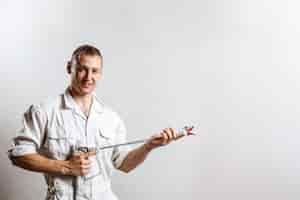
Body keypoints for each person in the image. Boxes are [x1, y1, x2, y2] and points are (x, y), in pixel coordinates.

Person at [8, 44, 185, 200]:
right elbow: (18, 154)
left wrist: (148, 146)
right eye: (82, 69)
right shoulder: (44, 111)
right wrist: (66, 167)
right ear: (69, 68)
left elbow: (124, 164)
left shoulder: (111, 118)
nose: (88, 77)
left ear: (101, 74)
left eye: (95, 71)